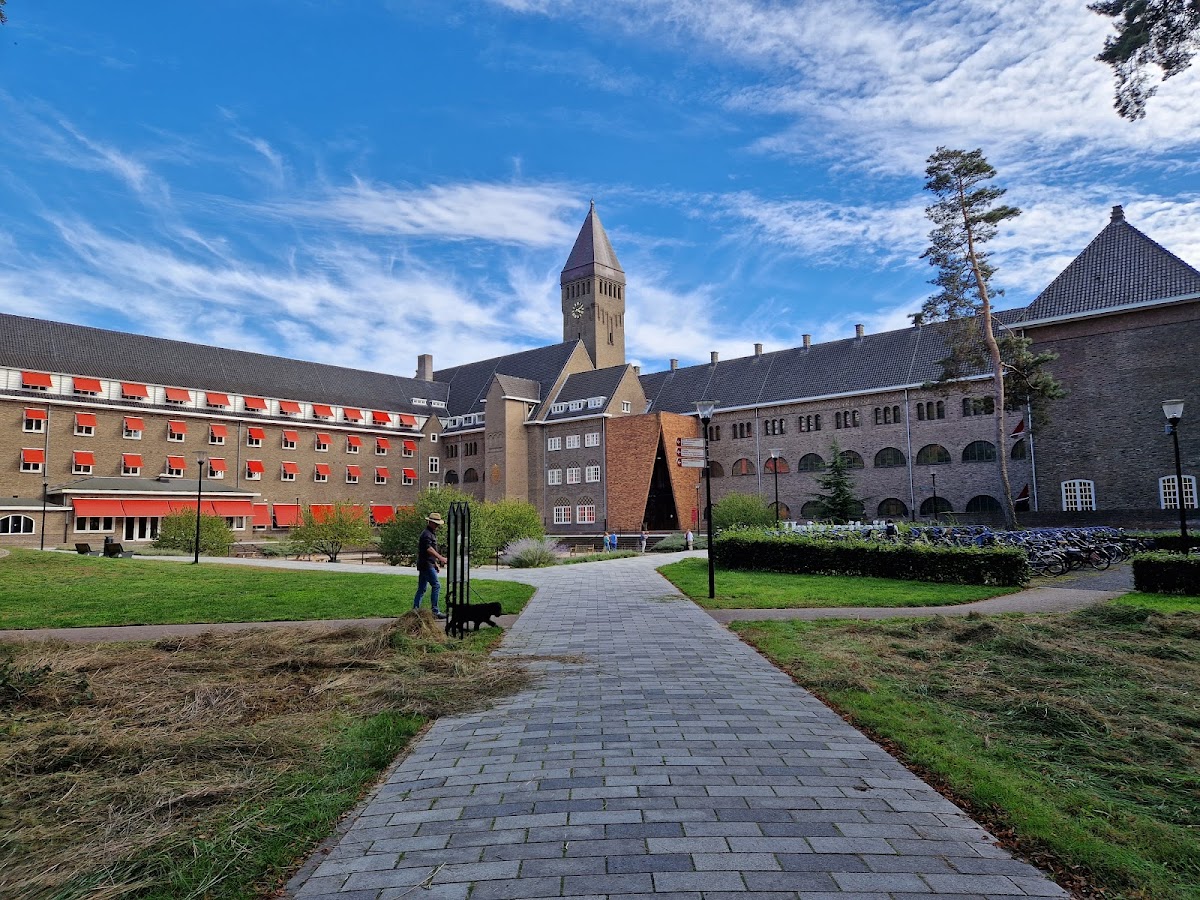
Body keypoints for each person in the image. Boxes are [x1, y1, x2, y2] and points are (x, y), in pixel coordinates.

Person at [413, 512, 448, 619]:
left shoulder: (430, 533)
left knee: (422, 588)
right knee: (436, 585)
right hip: (426, 565)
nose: (437, 526)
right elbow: (429, 549)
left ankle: (415, 611)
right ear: (430, 522)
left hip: (427, 564)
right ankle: (435, 611)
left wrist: (435, 563)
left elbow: (428, 551)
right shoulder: (427, 534)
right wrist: (440, 558)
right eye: (436, 524)